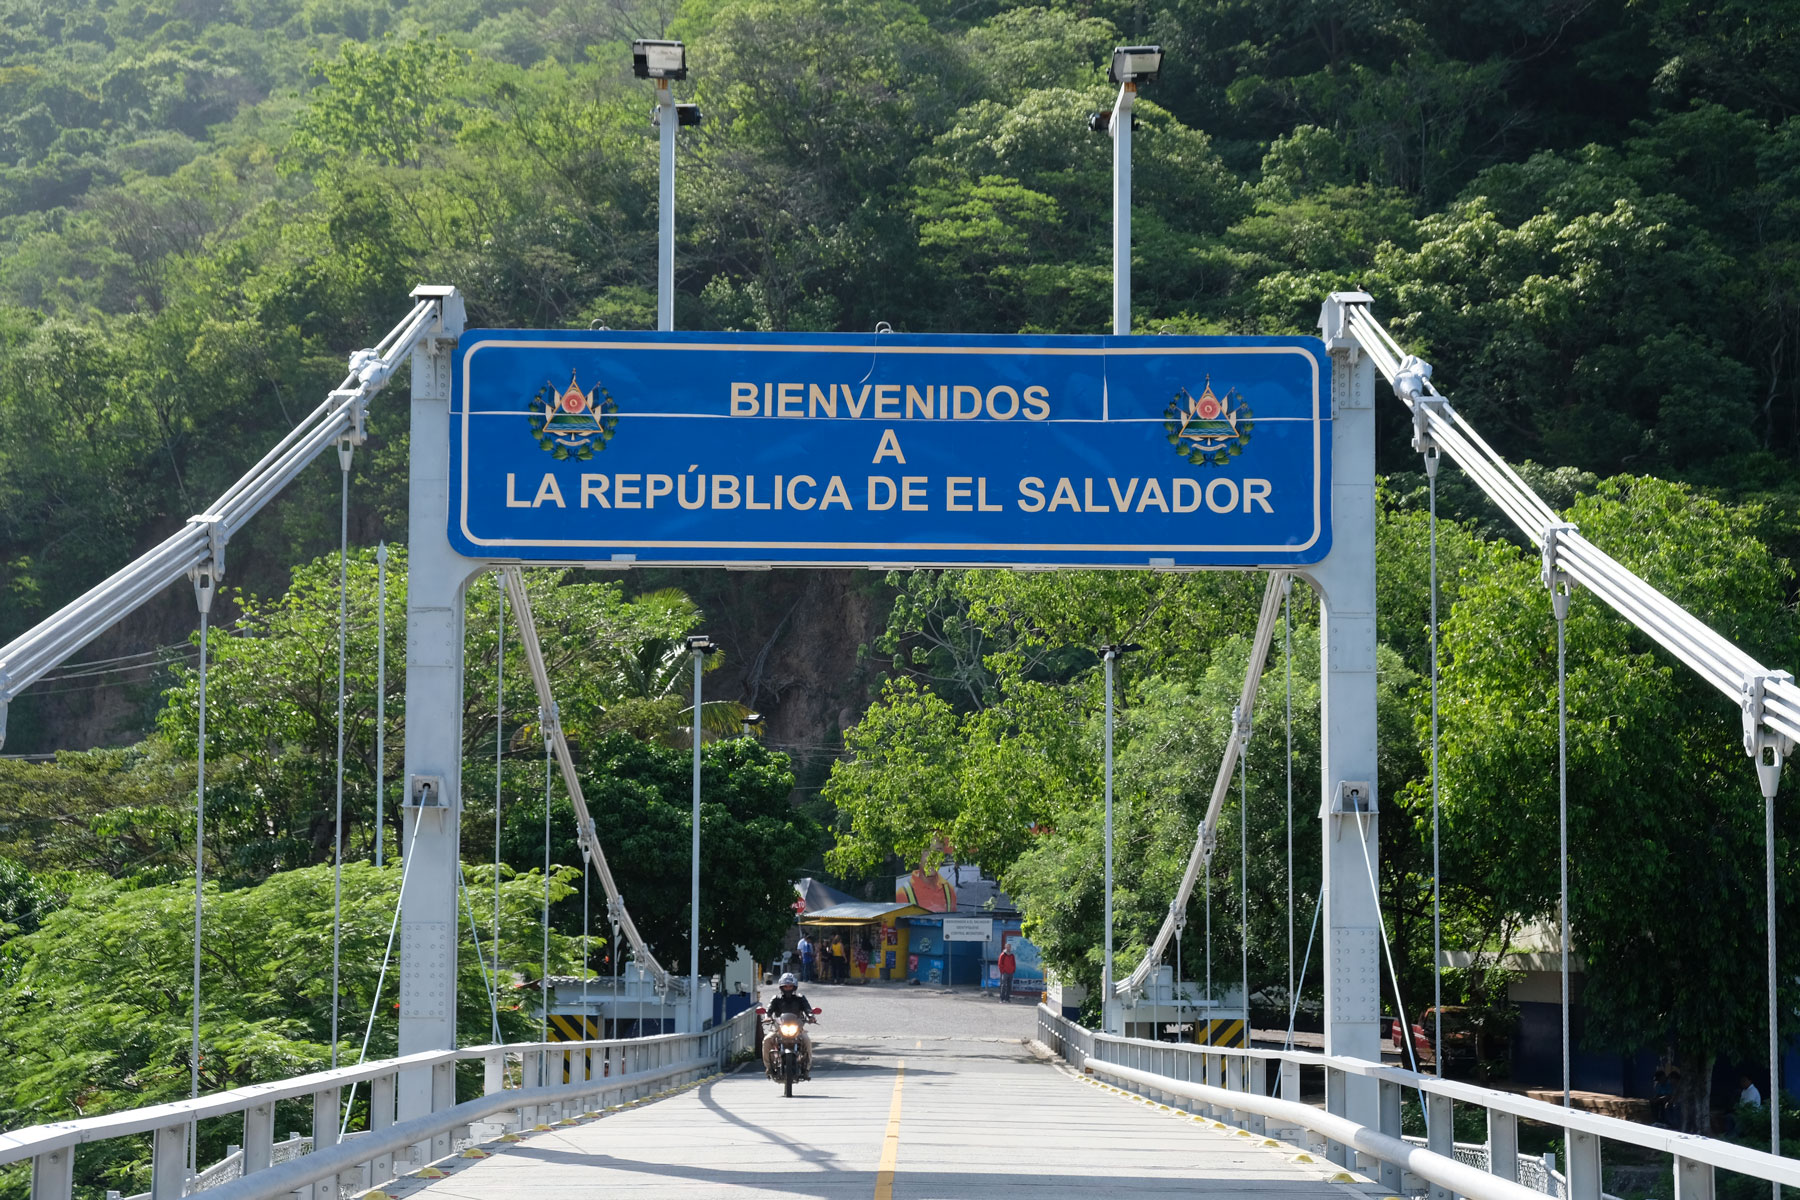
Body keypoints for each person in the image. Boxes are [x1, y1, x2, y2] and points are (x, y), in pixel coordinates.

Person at [762, 972, 815, 1080]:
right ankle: (768, 1067)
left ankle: (807, 1068)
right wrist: (767, 1017)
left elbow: (807, 1008)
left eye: (790, 986)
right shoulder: (776, 998)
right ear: (781, 987)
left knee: (807, 1041)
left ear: (794, 986)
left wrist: (810, 1016)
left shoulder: (800, 998)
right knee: (767, 1040)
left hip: (797, 1029)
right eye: (785, 986)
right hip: (778, 1028)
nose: (788, 988)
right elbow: (769, 1010)